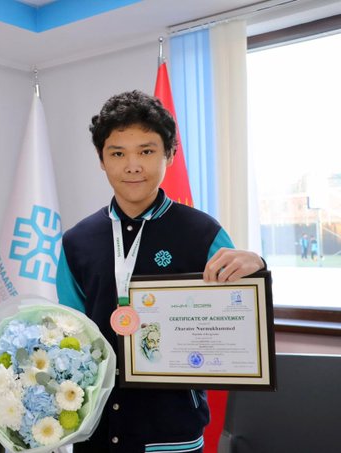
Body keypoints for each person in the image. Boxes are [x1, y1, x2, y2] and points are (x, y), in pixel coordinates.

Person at [56, 90, 265, 453]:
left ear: (170, 154)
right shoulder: (76, 241)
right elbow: (71, 338)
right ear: (101, 160)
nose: (132, 165)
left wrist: (259, 269)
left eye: (147, 151)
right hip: (97, 433)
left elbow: (244, 319)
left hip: (172, 434)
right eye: (117, 153)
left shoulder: (203, 233)